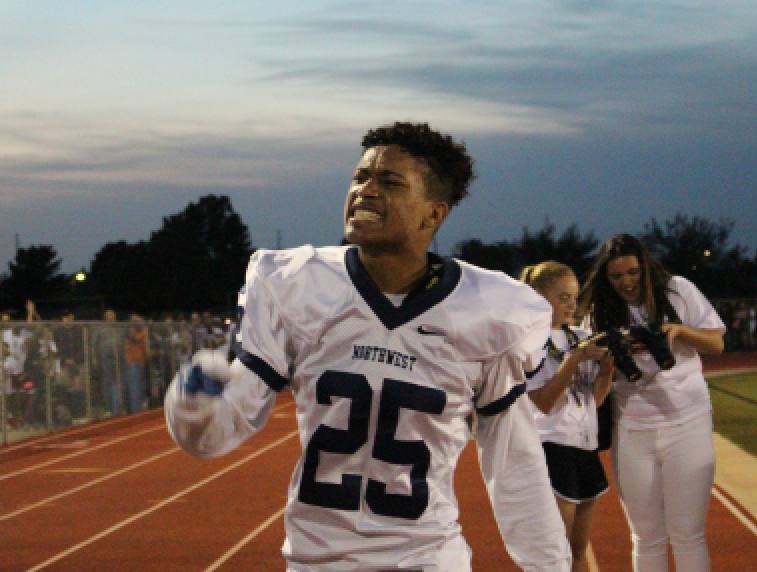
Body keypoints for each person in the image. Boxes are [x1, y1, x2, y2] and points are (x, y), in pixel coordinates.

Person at [165, 121, 571, 571]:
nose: (366, 190)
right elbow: (221, 430)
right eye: (361, 178)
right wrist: (195, 401)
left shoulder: (488, 311)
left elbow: (515, 461)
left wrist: (549, 565)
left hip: (427, 558)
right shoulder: (299, 284)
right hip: (318, 559)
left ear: (432, 214)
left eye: (390, 182)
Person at [577, 233, 725, 572]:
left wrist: (678, 332)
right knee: (646, 536)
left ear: (645, 267)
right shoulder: (601, 309)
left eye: (633, 273)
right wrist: (609, 357)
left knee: (688, 533)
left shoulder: (676, 290)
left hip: (687, 422)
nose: (625, 283)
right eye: (616, 276)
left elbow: (716, 342)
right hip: (633, 426)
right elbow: (591, 377)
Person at [520, 262, 613, 572]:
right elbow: (545, 402)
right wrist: (575, 359)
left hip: (585, 447)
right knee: (554, 554)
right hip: (552, 448)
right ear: (538, 299)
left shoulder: (580, 336)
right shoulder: (529, 342)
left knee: (577, 551)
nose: (572, 305)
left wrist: (609, 365)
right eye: (563, 298)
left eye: (574, 297)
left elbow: (595, 400)